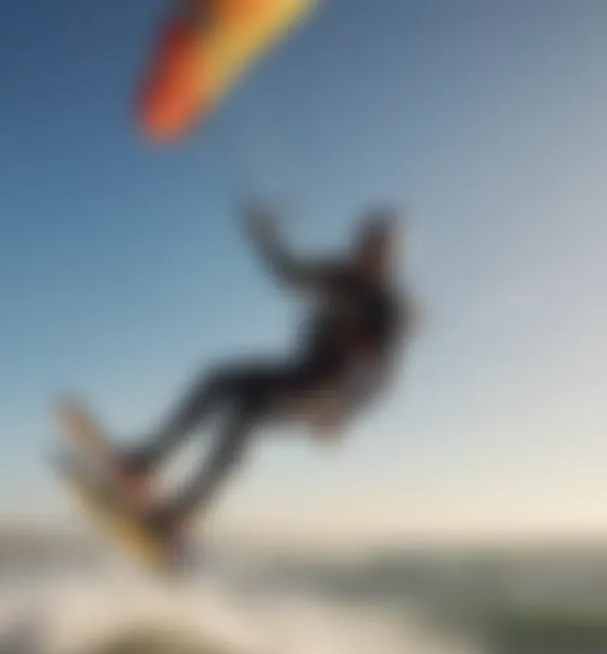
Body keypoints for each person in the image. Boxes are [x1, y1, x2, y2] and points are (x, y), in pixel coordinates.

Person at [116, 203, 412, 543]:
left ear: (389, 258)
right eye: (365, 244)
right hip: (295, 374)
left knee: (244, 417)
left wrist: (341, 412)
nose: (368, 253)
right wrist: (264, 236)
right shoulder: (337, 276)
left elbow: (382, 377)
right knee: (217, 381)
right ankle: (147, 460)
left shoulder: (386, 310)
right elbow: (289, 273)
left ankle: (183, 513)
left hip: (323, 396)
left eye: (379, 249)